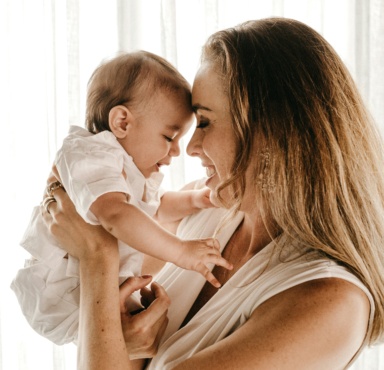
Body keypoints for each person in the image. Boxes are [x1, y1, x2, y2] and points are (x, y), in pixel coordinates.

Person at [21, 17, 384, 369]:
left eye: (205, 122)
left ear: (270, 132)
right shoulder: (199, 211)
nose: (190, 147)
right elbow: (111, 348)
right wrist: (125, 341)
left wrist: (97, 253)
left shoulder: (330, 302)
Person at [11, 50, 232, 345]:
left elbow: (151, 210)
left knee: (144, 336)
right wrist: (181, 252)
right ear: (122, 123)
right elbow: (116, 215)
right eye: (169, 137)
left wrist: (195, 200)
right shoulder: (91, 154)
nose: (178, 150)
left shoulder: (127, 169)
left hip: (97, 284)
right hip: (63, 289)